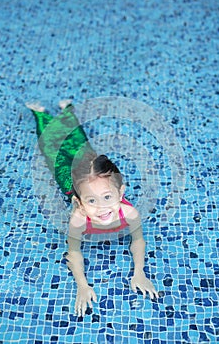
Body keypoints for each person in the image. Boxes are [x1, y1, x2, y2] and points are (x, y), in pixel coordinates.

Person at [27, 100, 159, 317]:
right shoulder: (78, 218)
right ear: (80, 203)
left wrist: (139, 272)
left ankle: (67, 111)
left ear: (121, 193)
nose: (102, 207)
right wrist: (82, 285)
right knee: (52, 150)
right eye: (91, 201)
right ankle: (40, 115)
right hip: (72, 182)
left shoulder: (129, 212)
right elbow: (73, 252)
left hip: (90, 173)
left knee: (81, 144)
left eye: (108, 197)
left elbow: (138, 240)